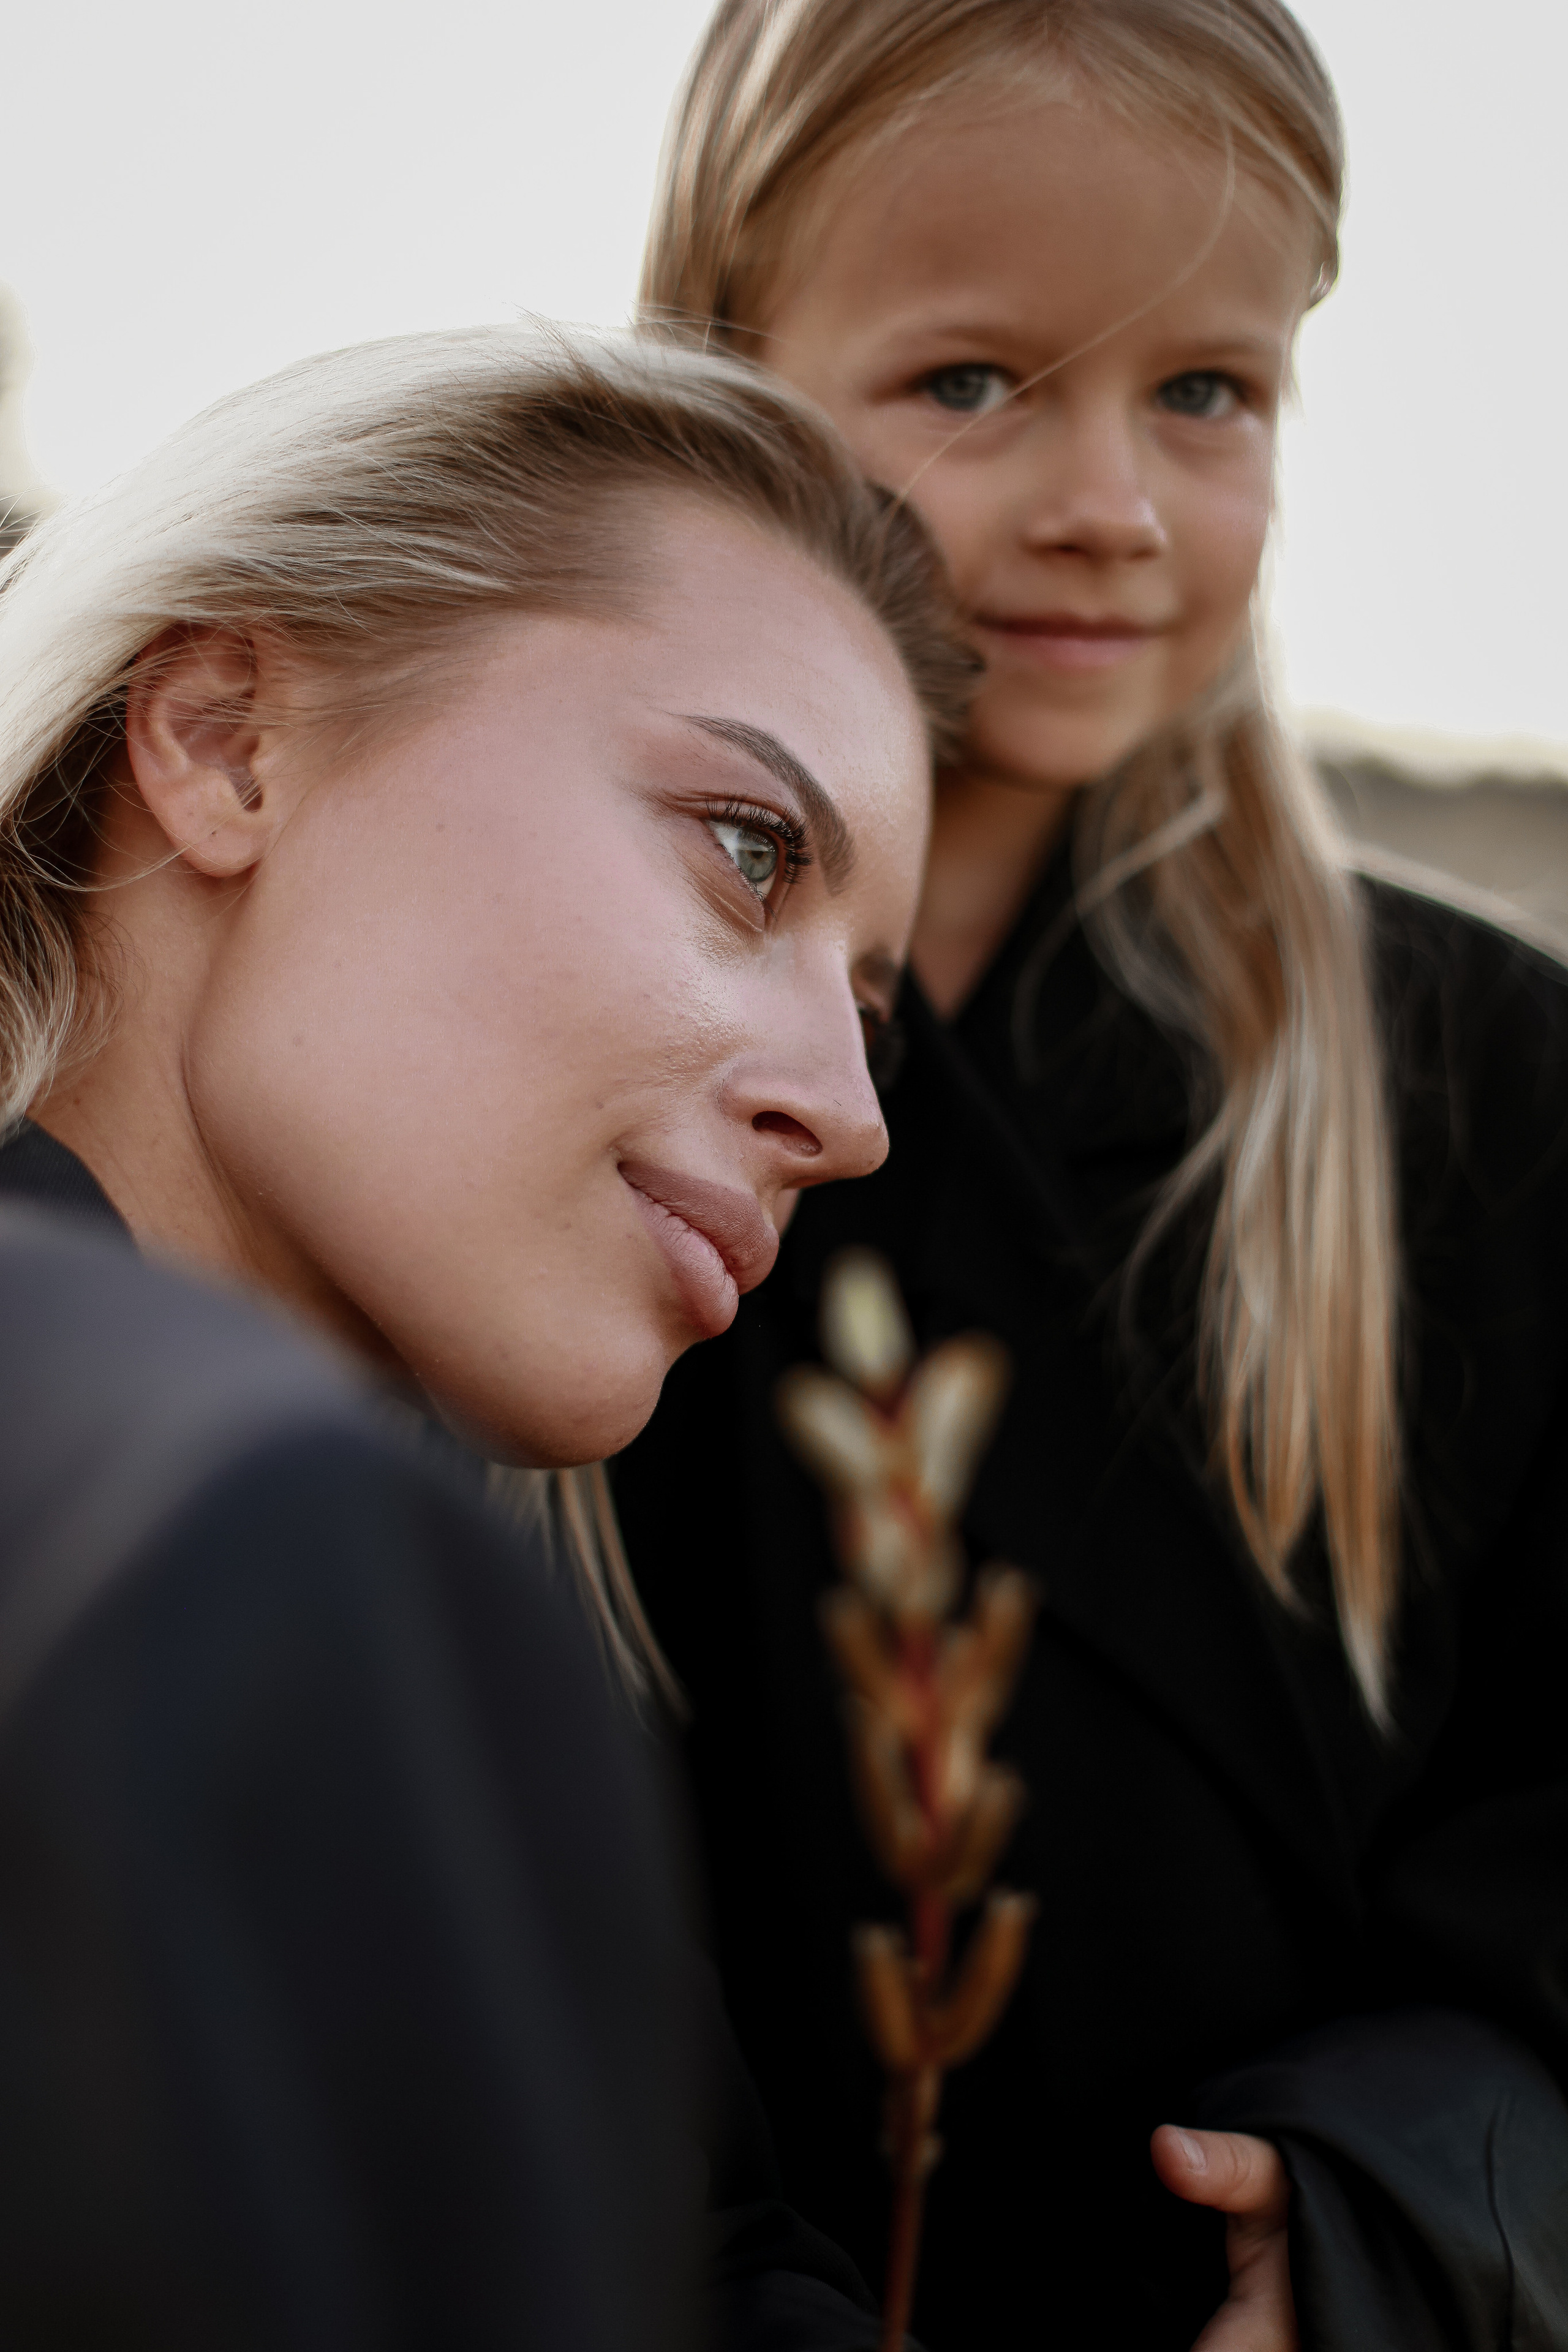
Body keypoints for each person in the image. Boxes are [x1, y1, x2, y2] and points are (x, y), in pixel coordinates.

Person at [614, 5, 1568, 2346]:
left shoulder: (1477, 1083)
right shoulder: (557, 1040)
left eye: (1207, 397)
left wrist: (1392, 2212)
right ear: (736, 373)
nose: (1110, 507)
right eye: (973, 382)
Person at [0, 323, 972, 2347]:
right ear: (227, 743)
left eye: (868, 1008)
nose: (853, 1113)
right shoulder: (228, 1564)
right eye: (746, 850)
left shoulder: (434, 1611)